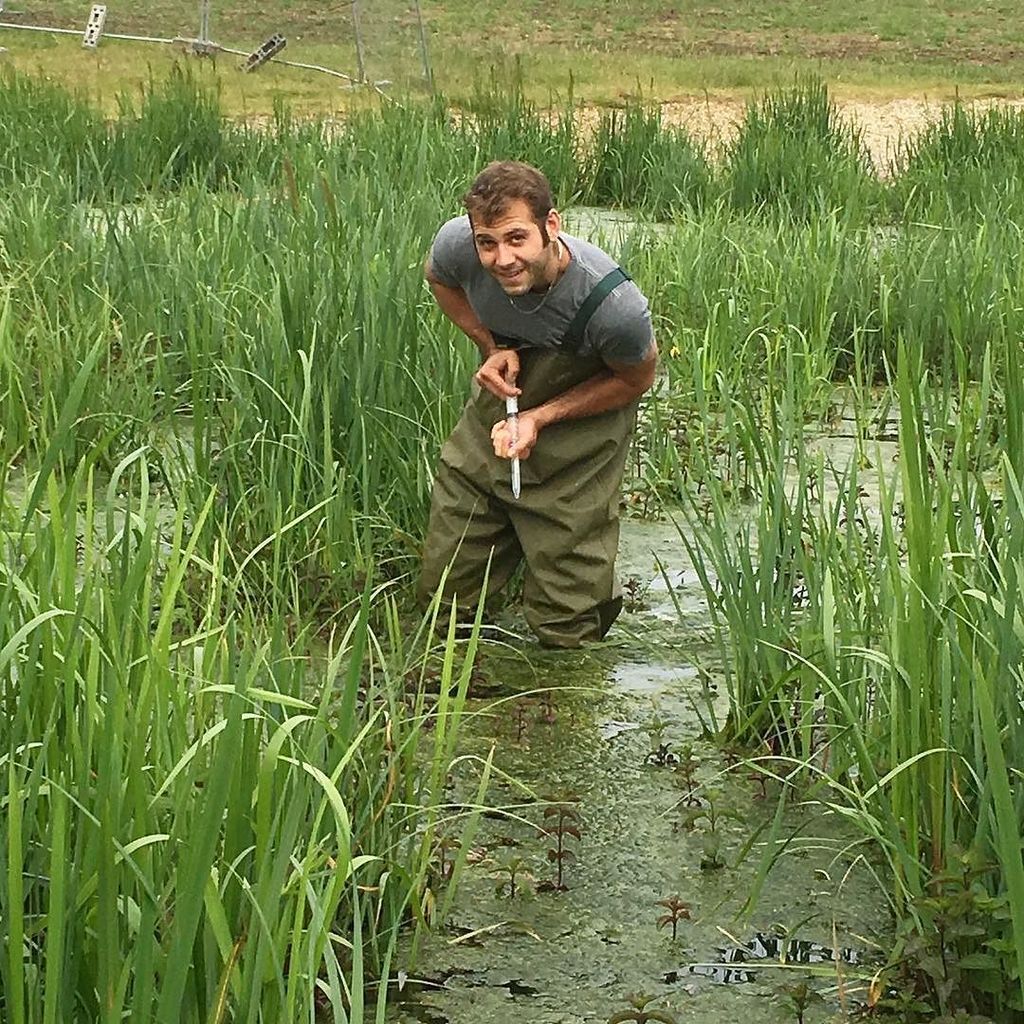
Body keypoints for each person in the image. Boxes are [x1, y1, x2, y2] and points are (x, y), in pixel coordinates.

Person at [418, 160, 657, 647]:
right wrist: (492, 346)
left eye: (516, 238)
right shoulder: (457, 245)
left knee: (567, 616)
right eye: (487, 243)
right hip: (496, 416)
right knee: (446, 595)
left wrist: (540, 417)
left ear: (551, 225)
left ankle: (565, 681)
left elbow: (636, 379)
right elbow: (439, 279)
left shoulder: (614, 306)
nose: (502, 258)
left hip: (580, 437)